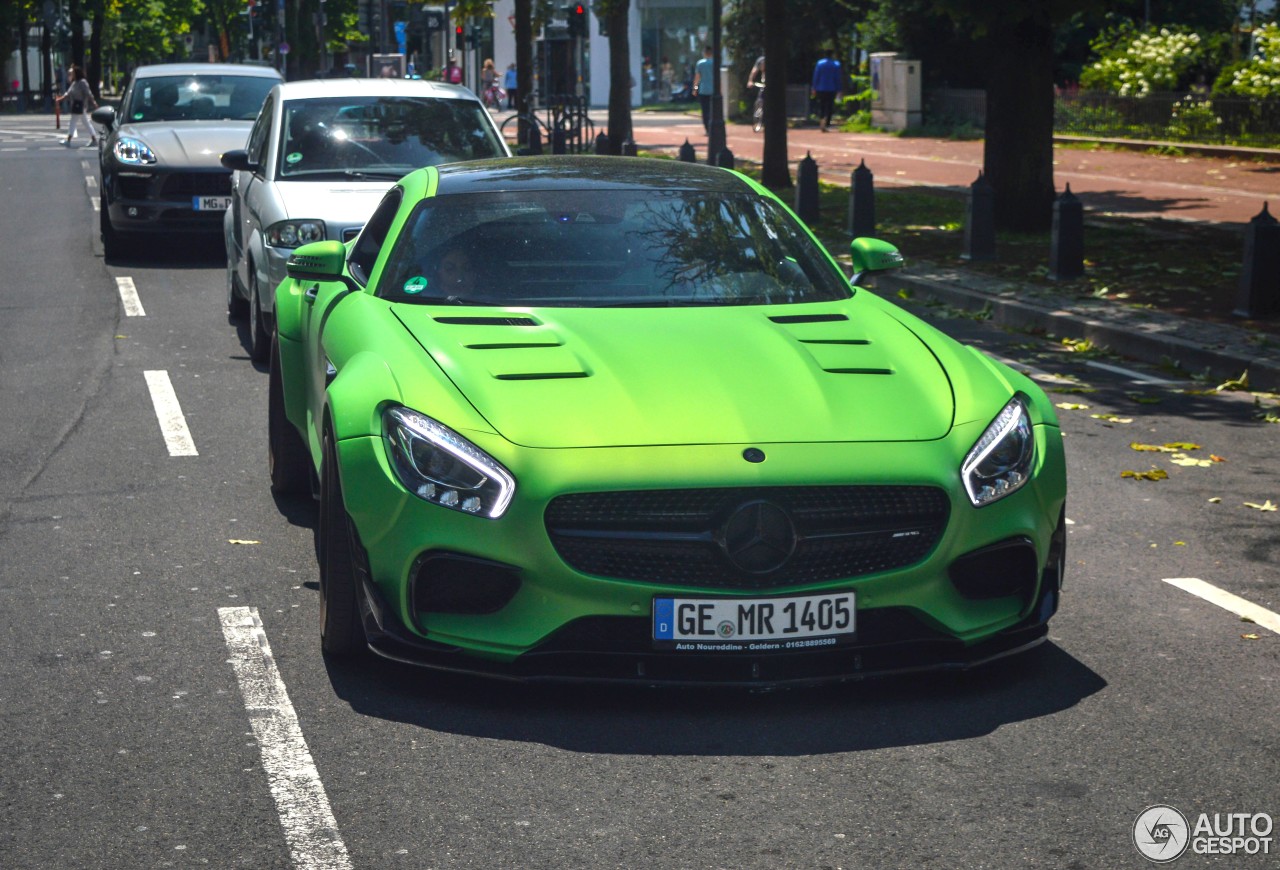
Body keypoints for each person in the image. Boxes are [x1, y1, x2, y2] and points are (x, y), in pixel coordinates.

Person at [56, 64, 97, 147]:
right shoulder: (75, 83)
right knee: (85, 122)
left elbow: (88, 93)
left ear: (77, 73)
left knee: (73, 122)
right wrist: (61, 99)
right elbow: (68, 93)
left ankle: (68, 140)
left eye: (73, 73)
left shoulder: (82, 82)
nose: (72, 75)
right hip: (76, 105)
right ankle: (94, 139)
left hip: (80, 105)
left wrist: (93, 102)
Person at [811, 48, 844, 133]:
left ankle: (822, 120)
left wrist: (814, 87)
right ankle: (827, 124)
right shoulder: (836, 64)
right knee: (829, 106)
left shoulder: (819, 63)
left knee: (822, 105)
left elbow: (816, 76)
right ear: (832, 54)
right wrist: (839, 89)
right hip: (831, 88)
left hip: (821, 88)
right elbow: (838, 78)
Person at [692, 46, 716, 133]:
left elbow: (697, 78)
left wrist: (695, 89)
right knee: (713, 110)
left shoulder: (700, 63)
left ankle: (707, 128)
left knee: (705, 110)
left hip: (703, 90)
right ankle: (713, 127)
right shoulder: (715, 63)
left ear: (704, 53)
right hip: (714, 90)